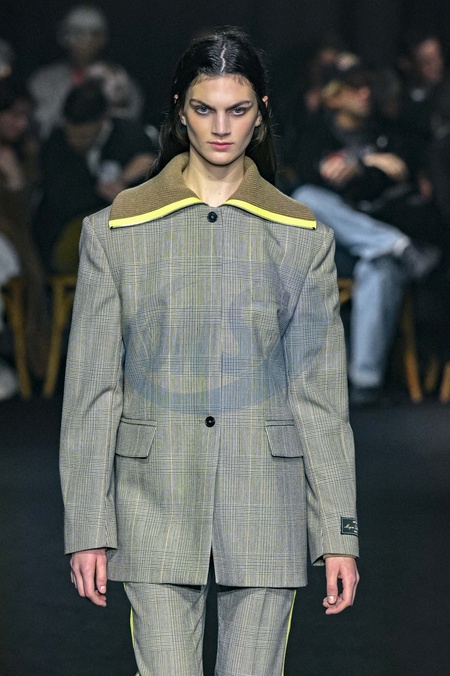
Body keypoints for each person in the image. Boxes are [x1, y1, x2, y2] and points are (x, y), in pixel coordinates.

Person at [60, 28, 359, 675]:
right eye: (204, 109)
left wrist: (340, 533)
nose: (221, 127)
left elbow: (319, 397)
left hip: (268, 501)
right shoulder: (115, 233)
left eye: (237, 109)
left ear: (261, 113)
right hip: (152, 498)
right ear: (179, 110)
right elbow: (92, 392)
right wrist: (87, 526)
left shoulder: (303, 237)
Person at [291, 53, 441, 406]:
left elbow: (393, 179)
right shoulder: (316, 134)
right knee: (306, 198)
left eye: (367, 85)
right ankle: (397, 244)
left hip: (375, 241)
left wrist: (360, 168)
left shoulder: (390, 132)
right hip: (334, 249)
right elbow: (310, 180)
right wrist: (367, 164)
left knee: (381, 267)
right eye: (354, 86)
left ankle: (365, 383)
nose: (365, 93)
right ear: (333, 96)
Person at [33, 79, 155, 272]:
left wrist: (127, 182)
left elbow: (151, 172)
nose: (76, 142)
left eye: (83, 136)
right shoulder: (55, 145)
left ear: (103, 119)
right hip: (69, 229)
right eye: (71, 135)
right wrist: (103, 190)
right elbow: (60, 198)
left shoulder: (131, 136)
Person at [28, 4, 144, 139]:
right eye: (72, 33)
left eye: (87, 33)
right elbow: (36, 126)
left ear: (102, 38)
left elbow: (128, 126)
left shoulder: (122, 82)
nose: (78, 41)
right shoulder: (43, 80)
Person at [0, 75, 49, 396]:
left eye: (25, 116)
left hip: (14, 248)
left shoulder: (26, 156)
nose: (21, 123)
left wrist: (15, 179)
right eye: (13, 114)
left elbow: (24, 222)